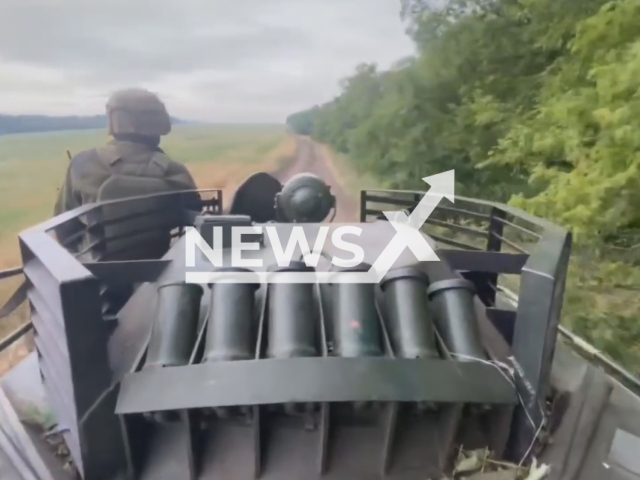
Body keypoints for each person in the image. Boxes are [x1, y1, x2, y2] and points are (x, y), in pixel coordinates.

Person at [53, 87, 197, 215]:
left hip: (93, 246)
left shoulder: (82, 164)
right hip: (161, 246)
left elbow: (63, 225)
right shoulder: (174, 171)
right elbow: (198, 219)